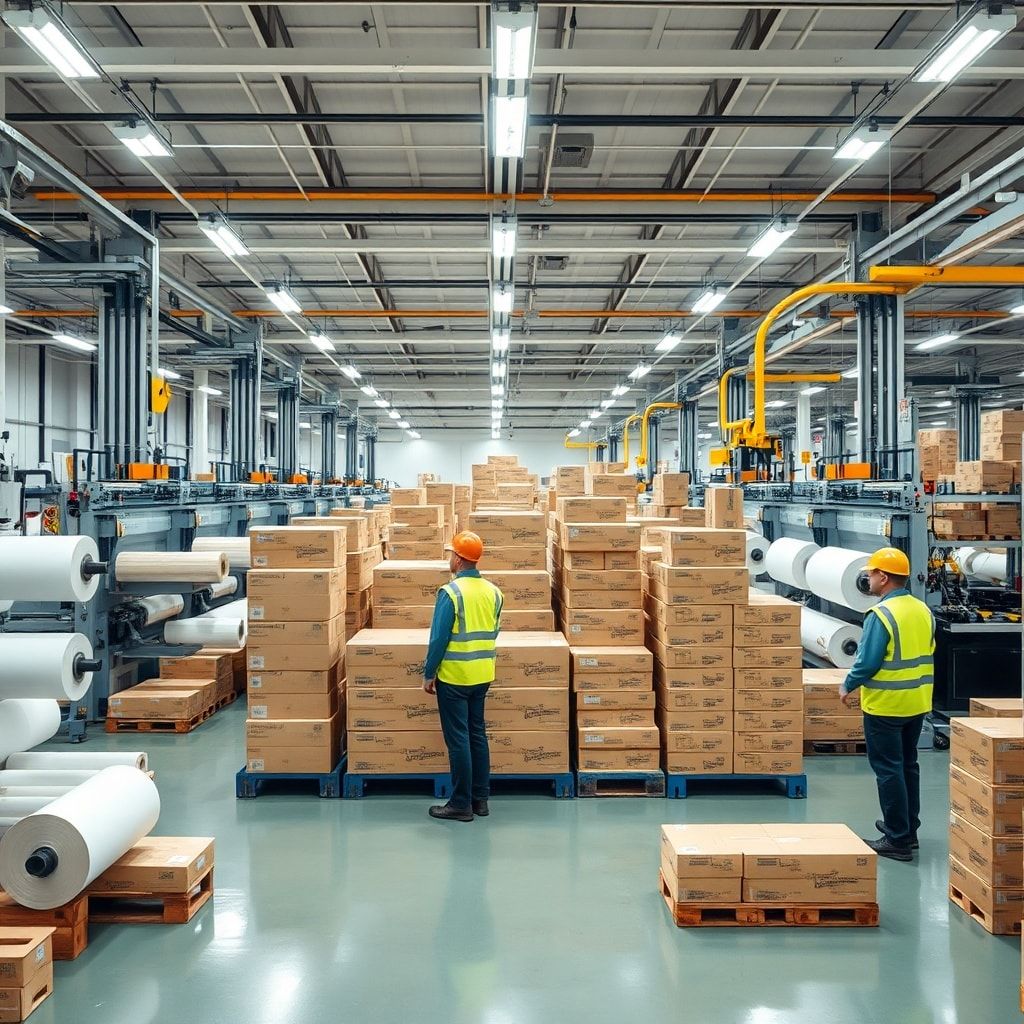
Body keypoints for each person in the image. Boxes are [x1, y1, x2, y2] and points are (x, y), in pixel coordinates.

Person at [839, 547, 935, 862]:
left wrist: (848, 684)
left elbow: (867, 662)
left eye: (870, 573)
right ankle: (908, 830)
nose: (867, 577)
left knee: (888, 769)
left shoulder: (881, 615)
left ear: (883, 577)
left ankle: (896, 839)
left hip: (886, 705)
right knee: (909, 765)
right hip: (917, 702)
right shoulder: (922, 610)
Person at [423, 531, 503, 822]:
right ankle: (480, 800)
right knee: (477, 735)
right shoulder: (494, 592)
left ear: (458, 558)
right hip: (483, 674)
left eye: (451, 554)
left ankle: (460, 804)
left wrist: (429, 674)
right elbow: (493, 631)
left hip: (455, 677)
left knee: (458, 741)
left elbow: (438, 639)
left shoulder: (451, 593)